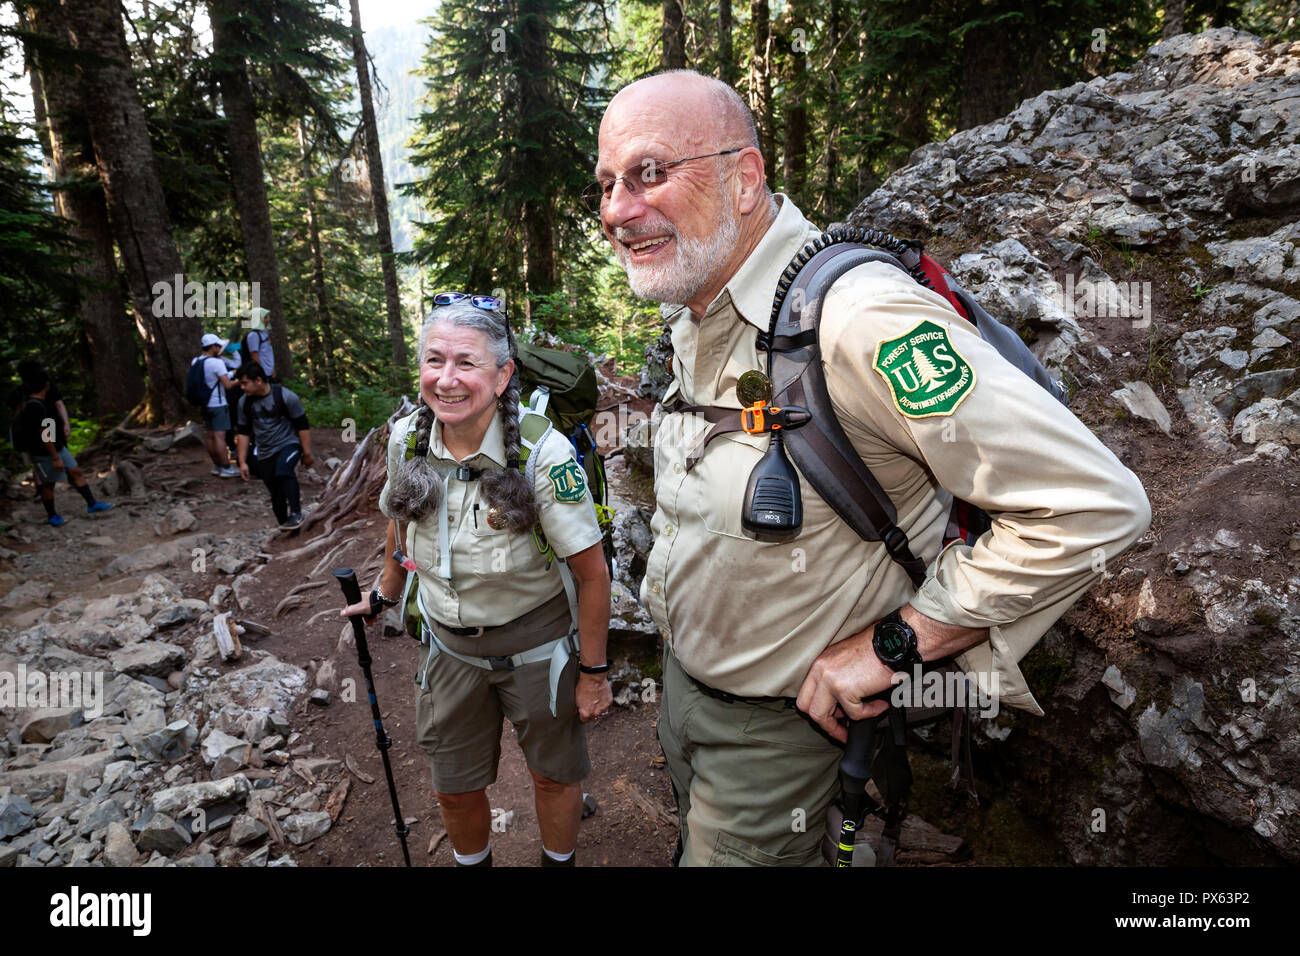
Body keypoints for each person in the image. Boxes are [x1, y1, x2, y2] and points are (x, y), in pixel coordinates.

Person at [593, 70, 1153, 866]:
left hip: (779, 736)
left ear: (743, 179)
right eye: (608, 183)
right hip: (689, 700)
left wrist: (900, 642)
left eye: (650, 172)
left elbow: (1094, 504)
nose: (618, 208)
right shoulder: (705, 303)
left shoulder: (861, 318)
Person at [339, 294, 613, 867]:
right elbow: (401, 520)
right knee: (453, 786)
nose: (447, 379)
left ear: (503, 372)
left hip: (537, 649)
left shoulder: (544, 453)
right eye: (434, 360)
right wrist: (384, 592)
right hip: (449, 650)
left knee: (552, 778)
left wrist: (593, 673)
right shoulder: (407, 439)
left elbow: (592, 574)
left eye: (466, 362)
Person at [15, 365, 112, 526]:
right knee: (48, 484)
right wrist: (55, 458)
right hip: (44, 451)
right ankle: (52, 516)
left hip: (57, 445)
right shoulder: (34, 406)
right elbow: (44, 434)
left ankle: (92, 504)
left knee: (75, 470)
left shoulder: (39, 403)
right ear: (46, 384)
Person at [234, 361, 313, 531]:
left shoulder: (286, 397)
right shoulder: (244, 403)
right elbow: (243, 433)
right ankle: (285, 526)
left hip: (289, 443)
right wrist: (242, 462)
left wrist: (307, 453)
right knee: (275, 492)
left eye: (245, 383)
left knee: (284, 471)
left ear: (259, 380)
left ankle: (296, 514)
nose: (242, 387)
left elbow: (302, 425)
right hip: (264, 451)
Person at [194, 333, 239, 478]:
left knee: (210, 437)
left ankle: (216, 465)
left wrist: (230, 374)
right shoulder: (216, 362)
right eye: (218, 345)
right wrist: (240, 379)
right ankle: (226, 467)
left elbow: (211, 378)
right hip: (218, 403)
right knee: (220, 437)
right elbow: (227, 385)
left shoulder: (196, 361)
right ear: (213, 346)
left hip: (204, 403)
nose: (219, 348)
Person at [241, 307, 275, 380]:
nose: (267, 320)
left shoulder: (264, 332)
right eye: (265, 317)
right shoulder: (253, 335)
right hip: (262, 374)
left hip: (268, 372)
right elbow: (254, 356)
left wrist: (271, 370)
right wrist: (261, 374)